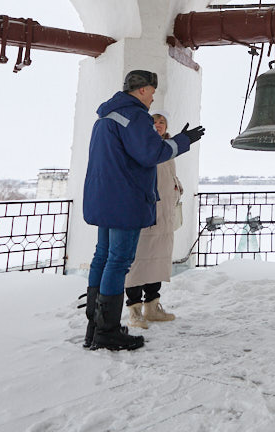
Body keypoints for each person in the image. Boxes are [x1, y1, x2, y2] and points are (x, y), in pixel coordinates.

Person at [81, 70, 204, 351]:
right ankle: (108, 331)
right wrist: (183, 141)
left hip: (104, 196)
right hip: (125, 199)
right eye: (151, 91)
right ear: (142, 90)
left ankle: (95, 326)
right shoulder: (134, 116)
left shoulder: (106, 117)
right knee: (119, 261)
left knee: (102, 256)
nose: (152, 98)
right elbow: (151, 154)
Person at [122, 113, 185, 329]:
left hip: (164, 216)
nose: (158, 126)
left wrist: (177, 188)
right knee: (137, 263)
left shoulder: (167, 150)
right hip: (145, 214)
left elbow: (169, 178)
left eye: (162, 123)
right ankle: (134, 310)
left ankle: (152, 306)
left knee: (157, 261)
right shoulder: (141, 146)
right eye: (154, 122)